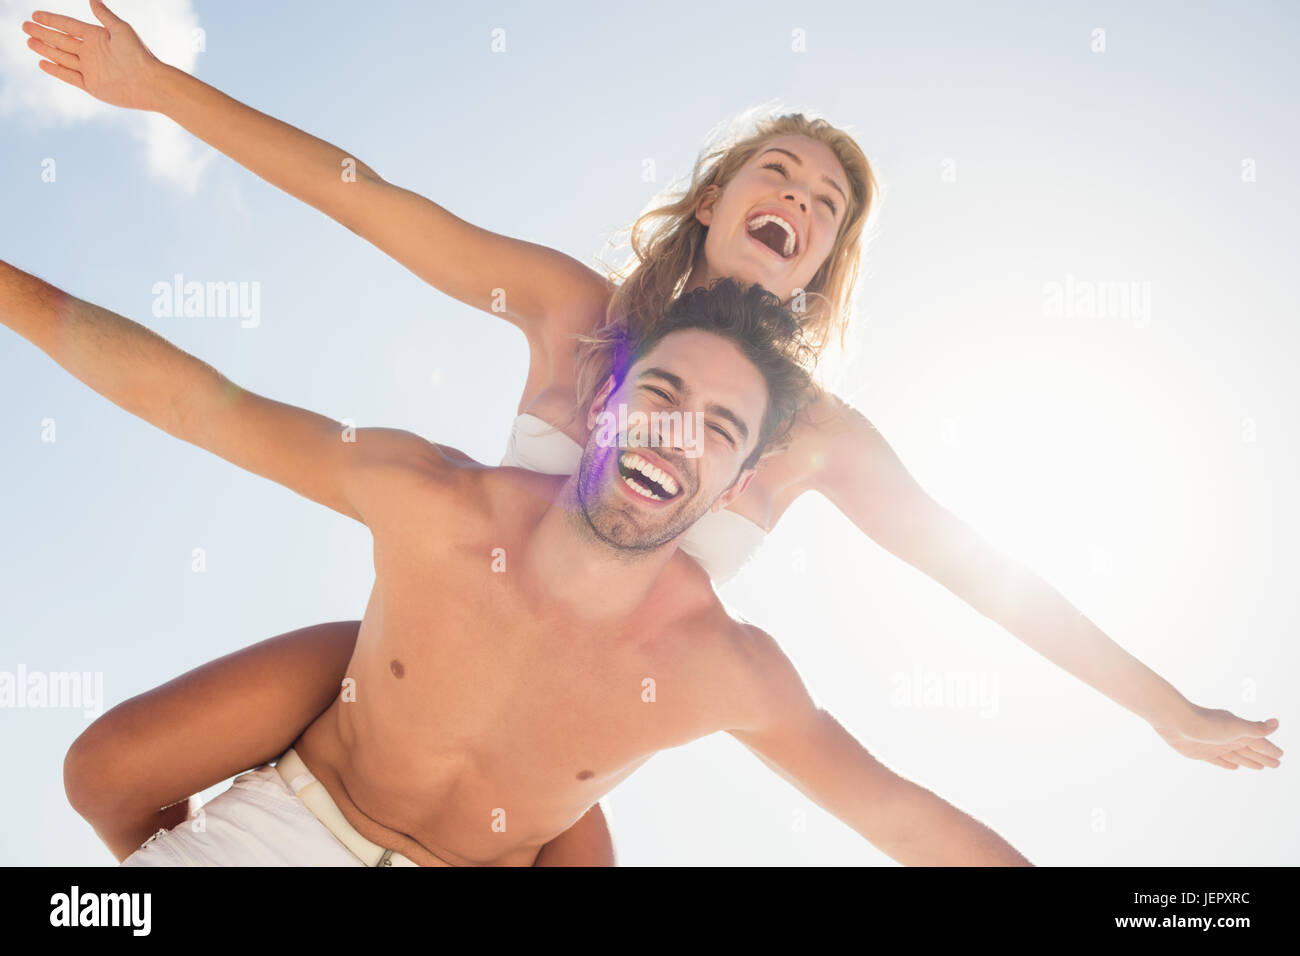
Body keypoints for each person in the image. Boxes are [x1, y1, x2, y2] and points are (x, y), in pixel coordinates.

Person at [23, 2, 1281, 865]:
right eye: (778, 170)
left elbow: (984, 579)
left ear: (820, 263)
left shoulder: (821, 441)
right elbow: (370, 204)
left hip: (570, 741)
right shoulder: (576, 313)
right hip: (421, 647)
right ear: (716, 198)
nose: (798, 195)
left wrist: (1161, 707)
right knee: (115, 764)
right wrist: (154, 89)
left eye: (827, 203)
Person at [0, 260, 1031, 866]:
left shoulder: (725, 666)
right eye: (662, 394)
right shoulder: (437, 503)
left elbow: (898, 812)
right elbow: (192, 399)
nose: (677, 434)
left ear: (734, 480)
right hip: (277, 832)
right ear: (607, 402)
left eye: (719, 428)